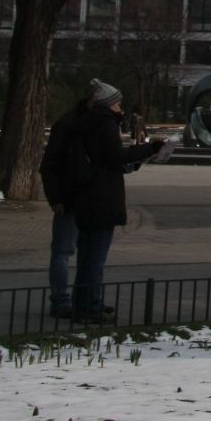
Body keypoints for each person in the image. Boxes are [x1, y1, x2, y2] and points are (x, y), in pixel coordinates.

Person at [63, 78, 165, 321]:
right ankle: (89, 306)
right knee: (95, 257)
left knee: (87, 255)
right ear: (109, 104)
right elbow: (115, 155)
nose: (120, 108)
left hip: (87, 197)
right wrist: (149, 149)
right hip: (102, 197)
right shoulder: (105, 123)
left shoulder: (85, 122)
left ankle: (84, 302)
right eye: (118, 104)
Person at [37, 93, 91, 317]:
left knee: (75, 251)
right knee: (64, 251)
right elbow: (50, 164)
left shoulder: (83, 124)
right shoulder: (70, 125)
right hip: (71, 198)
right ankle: (62, 300)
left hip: (83, 197)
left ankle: (79, 300)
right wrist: (56, 198)